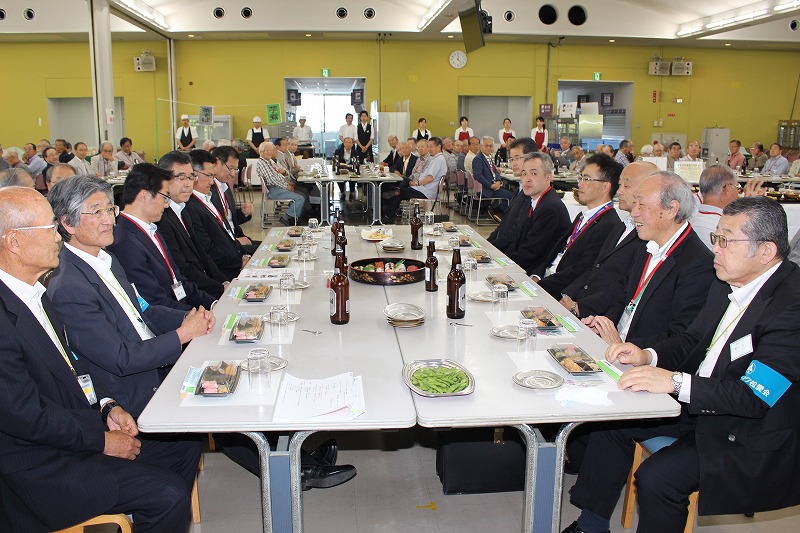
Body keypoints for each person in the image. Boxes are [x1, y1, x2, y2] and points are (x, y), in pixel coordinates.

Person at [564, 197, 800, 533]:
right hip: (703, 404)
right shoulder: (727, 281)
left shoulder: (791, 307)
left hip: (747, 431)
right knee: (613, 419)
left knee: (657, 478)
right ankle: (591, 526)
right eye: (716, 237)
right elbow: (692, 340)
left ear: (766, 251)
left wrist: (675, 382)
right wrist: (646, 355)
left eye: (726, 241)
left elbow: (753, 397)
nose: (715, 249)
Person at [0, 186, 193, 532]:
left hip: (70, 434)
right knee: (168, 495)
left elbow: (74, 370)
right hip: (35, 469)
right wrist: (101, 440)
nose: (57, 237)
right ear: (14, 241)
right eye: (49, 228)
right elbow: (27, 416)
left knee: (184, 447)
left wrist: (107, 406)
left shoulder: (36, 295)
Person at [46, 175, 209, 483]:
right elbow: (121, 358)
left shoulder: (105, 258)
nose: (109, 220)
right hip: (130, 391)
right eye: (97, 212)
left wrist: (188, 317)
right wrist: (182, 335)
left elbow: (141, 312)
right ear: (67, 223)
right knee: (197, 425)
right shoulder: (69, 286)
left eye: (111, 209)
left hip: (154, 363)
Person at [581, 171, 715, 348]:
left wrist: (625, 348)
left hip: (641, 357)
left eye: (641, 205)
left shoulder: (698, 264)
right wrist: (603, 325)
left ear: (671, 209)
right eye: (634, 204)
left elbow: (682, 339)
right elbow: (626, 297)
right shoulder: (647, 244)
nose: (634, 213)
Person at [109, 163, 218, 312]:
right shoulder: (126, 243)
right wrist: (195, 315)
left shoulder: (151, 229)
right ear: (144, 195)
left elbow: (178, 279)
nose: (166, 205)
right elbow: (153, 301)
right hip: (170, 317)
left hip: (181, 308)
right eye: (165, 197)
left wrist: (213, 303)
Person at [560, 161, 656, 319]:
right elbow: (594, 268)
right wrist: (566, 296)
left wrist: (579, 308)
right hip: (582, 303)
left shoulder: (647, 236)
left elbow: (623, 287)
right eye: (620, 185)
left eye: (626, 186)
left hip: (599, 315)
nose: (619, 191)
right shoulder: (623, 225)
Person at [532, 153, 623, 298]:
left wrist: (540, 286)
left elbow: (580, 270)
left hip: (560, 292)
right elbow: (556, 250)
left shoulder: (609, 225)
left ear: (606, 187)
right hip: (547, 278)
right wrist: (537, 274)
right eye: (581, 178)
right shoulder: (583, 215)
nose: (580, 184)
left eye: (587, 179)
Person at [488, 140, 571, 274]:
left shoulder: (550, 208)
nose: (527, 179)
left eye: (533, 173)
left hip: (534, 273)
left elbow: (529, 254)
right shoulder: (536, 201)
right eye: (524, 173)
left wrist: (497, 262)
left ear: (548, 177)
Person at [156, 151, 231, 296]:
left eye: (191, 177)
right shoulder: (162, 219)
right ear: (163, 180)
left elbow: (203, 255)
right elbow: (183, 269)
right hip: (192, 293)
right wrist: (219, 290)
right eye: (181, 178)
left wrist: (224, 283)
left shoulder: (183, 209)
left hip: (207, 284)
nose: (188, 184)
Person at [384, 137, 446, 222]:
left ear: (439, 147)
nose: (430, 149)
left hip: (426, 191)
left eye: (431, 146)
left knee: (399, 193)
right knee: (399, 192)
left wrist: (417, 183)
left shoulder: (438, 159)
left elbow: (430, 178)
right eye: (429, 146)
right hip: (422, 188)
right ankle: (388, 215)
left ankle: (387, 217)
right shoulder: (435, 158)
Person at [210, 146, 259, 253]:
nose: (232, 174)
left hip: (237, 239)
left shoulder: (225, 186)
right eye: (230, 168)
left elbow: (229, 219)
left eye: (235, 169)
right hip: (227, 247)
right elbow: (213, 231)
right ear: (216, 162)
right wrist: (235, 242)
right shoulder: (208, 191)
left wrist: (244, 212)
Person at [690, 165, 742, 250]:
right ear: (728, 189)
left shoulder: (690, 222)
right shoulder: (726, 227)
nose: (738, 193)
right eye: (737, 188)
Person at [256, 141, 305, 227]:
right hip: (274, 190)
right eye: (267, 150)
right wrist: (286, 186)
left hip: (278, 187)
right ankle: (286, 218)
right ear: (261, 152)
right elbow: (271, 180)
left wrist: (287, 183)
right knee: (300, 198)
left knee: (302, 195)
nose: (269, 152)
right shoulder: (262, 163)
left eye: (271, 150)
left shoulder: (269, 161)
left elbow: (279, 175)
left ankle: (295, 217)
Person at [471, 136, 515, 221]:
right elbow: (478, 175)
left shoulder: (489, 157)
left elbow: (495, 171)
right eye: (486, 146)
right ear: (481, 146)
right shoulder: (478, 159)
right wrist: (491, 186)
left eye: (491, 146)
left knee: (512, 192)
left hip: (494, 186)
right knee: (513, 196)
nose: (489, 148)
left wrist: (498, 181)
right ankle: (497, 211)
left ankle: (497, 210)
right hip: (486, 190)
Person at [334, 137, 360, 202]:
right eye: (346, 142)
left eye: (350, 142)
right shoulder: (338, 151)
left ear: (352, 144)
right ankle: (342, 193)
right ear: (343, 143)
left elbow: (357, 163)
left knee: (353, 178)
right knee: (339, 179)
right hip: (341, 170)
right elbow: (335, 162)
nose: (348, 144)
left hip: (351, 170)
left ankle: (351, 193)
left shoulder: (355, 153)